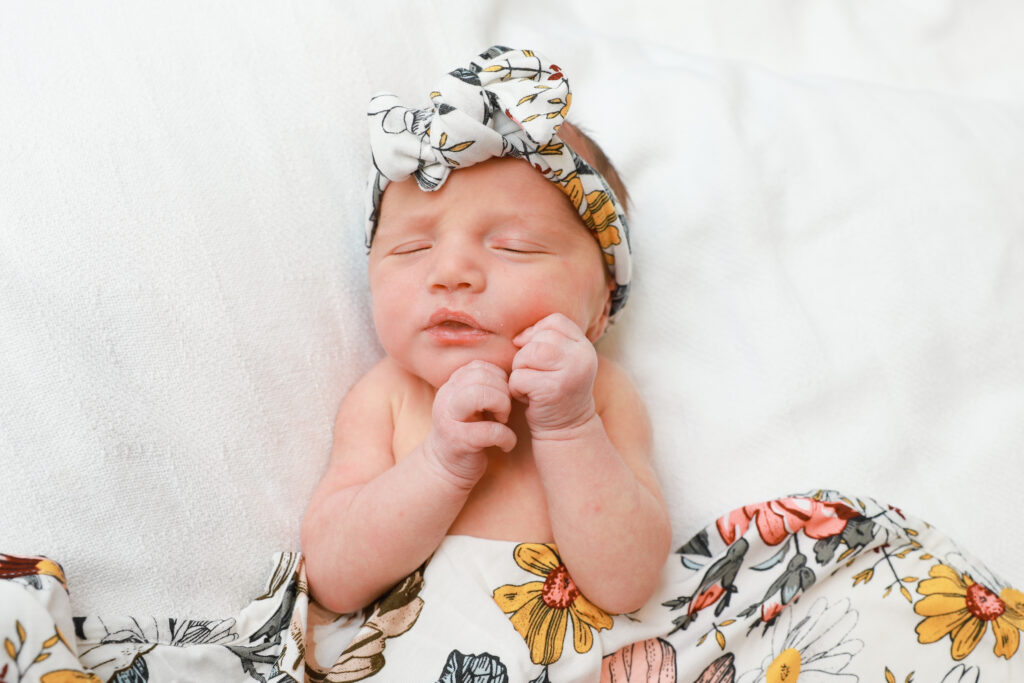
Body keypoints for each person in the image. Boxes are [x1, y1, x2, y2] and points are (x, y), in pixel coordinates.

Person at [302, 46, 672, 621]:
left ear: (600, 307)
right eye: (412, 248)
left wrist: (569, 428)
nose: (450, 273)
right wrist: (439, 464)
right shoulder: (389, 396)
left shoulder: (600, 398)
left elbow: (627, 585)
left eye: (514, 247)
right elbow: (331, 580)